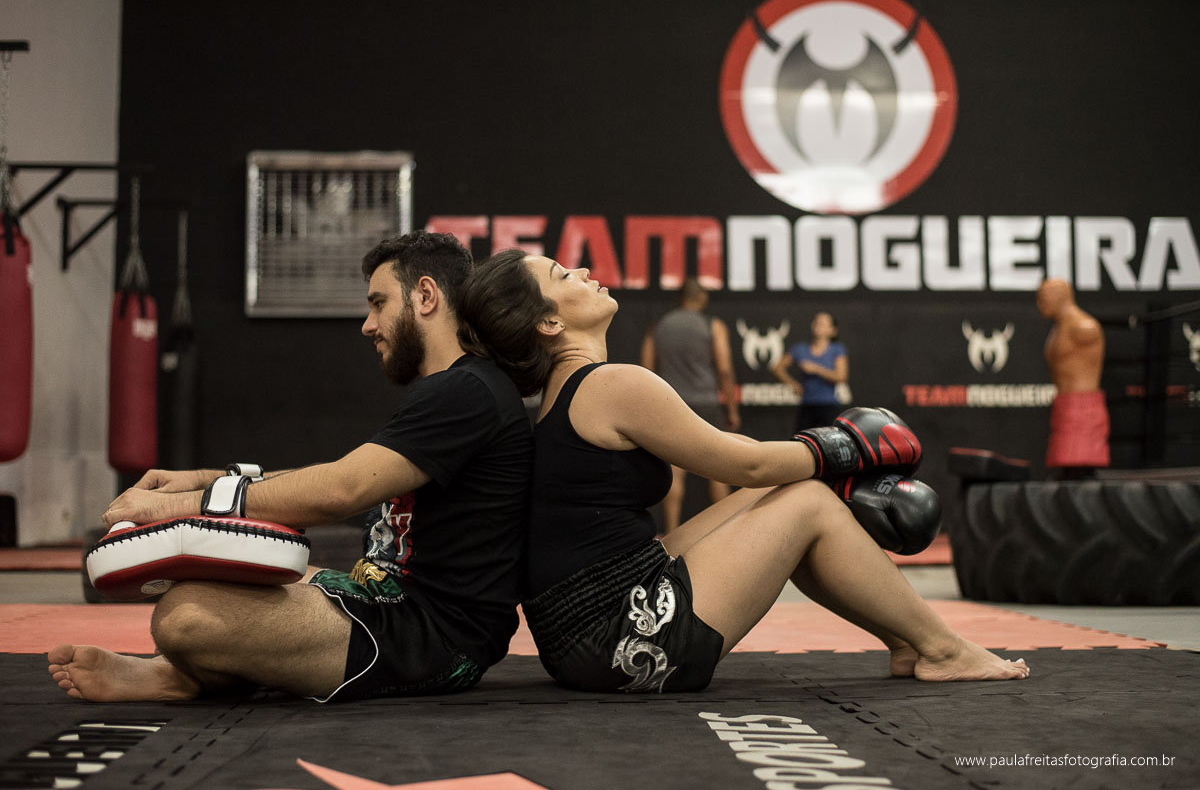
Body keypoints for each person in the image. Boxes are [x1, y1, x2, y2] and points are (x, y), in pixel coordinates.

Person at [457, 249, 1029, 693]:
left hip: (585, 626)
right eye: (563, 276)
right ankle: (942, 647)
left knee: (796, 490)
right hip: (617, 640)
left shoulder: (567, 390)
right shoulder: (611, 384)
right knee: (808, 502)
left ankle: (905, 641)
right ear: (550, 325)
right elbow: (747, 462)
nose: (582, 270)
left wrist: (823, 459)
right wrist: (847, 448)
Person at [48, 232, 534, 703]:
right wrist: (208, 480)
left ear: (425, 296)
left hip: (432, 636)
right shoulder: (454, 389)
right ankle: (188, 676)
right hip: (380, 596)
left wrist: (171, 506)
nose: (368, 324)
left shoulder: (466, 392)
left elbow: (339, 491)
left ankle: (181, 677)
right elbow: (339, 474)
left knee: (184, 615)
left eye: (378, 303)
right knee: (216, 574)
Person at [639, 278, 740, 533]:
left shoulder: (658, 326)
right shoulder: (712, 325)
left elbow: (646, 369)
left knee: (674, 471)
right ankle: (727, 531)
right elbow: (725, 370)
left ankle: (671, 534)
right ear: (701, 297)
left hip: (671, 404)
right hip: (706, 404)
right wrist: (731, 410)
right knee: (718, 470)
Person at [1037, 278, 1109, 478]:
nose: (1039, 304)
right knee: (1065, 470)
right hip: (1064, 406)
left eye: (1043, 298)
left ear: (1060, 296)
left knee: (1078, 471)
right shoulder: (1057, 329)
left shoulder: (1084, 328)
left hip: (1083, 410)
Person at [771, 311, 849, 430]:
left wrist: (816, 369)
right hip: (807, 405)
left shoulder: (837, 350)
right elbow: (777, 368)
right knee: (801, 442)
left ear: (832, 330)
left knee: (831, 443)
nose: (818, 325)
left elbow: (841, 377)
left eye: (823, 324)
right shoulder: (800, 349)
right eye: (816, 322)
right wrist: (793, 385)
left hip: (828, 406)